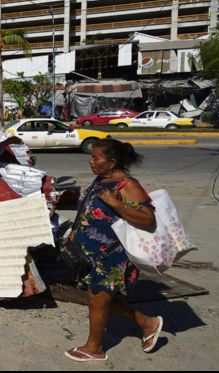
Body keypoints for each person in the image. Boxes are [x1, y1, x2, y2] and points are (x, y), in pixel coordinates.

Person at [64, 138, 163, 362]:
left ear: (112, 162)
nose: (91, 162)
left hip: (111, 255)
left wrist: (117, 204)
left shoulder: (128, 185)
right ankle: (147, 323)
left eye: (96, 158)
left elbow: (149, 220)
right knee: (97, 298)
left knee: (98, 297)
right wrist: (74, 231)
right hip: (91, 254)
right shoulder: (101, 179)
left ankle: (94, 348)